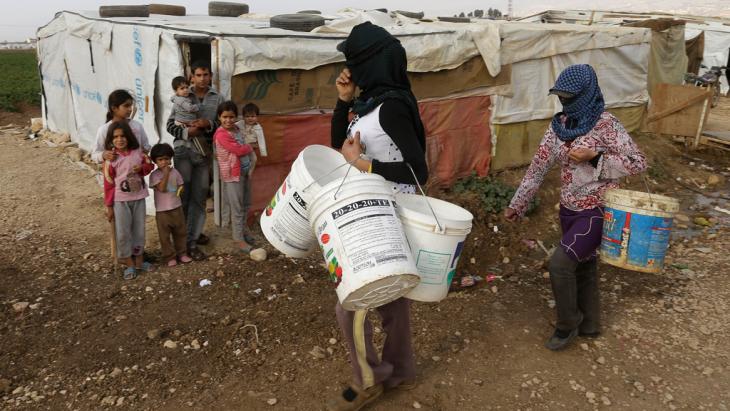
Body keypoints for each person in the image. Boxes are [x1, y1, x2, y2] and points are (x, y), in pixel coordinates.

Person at [503, 64, 648, 351]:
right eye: (562, 97)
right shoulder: (560, 126)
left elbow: (637, 162)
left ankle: (567, 325)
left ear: (587, 93)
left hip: (598, 209)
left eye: (571, 97)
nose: (565, 103)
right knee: (583, 265)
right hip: (568, 210)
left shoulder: (606, 124)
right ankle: (590, 325)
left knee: (560, 264)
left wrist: (595, 157)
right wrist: (517, 205)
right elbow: (537, 170)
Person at [327, 22, 428, 411]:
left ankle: (368, 379)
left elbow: (419, 172)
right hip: (370, 209)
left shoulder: (393, 107)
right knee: (392, 299)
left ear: (370, 62)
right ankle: (401, 370)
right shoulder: (370, 102)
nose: (348, 66)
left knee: (349, 301)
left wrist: (364, 165)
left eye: (352, 61)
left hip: (387, 214)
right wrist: (342, 102)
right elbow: (342, 148)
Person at [166, 61, 225, 260]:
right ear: (192, 77)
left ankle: (191, 243)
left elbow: (224, 123)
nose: (202, 78)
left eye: (205, 74)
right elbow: (169, 125)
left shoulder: (218, 98)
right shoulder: (182, 94)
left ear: (210, 75)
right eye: (198, 75)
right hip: (183, 151)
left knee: (199, 198)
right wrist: (186, 131)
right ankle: (179, 242)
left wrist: (209, 123)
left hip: (202, 154)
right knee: (183, 196)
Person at [103, 121, 155, 280]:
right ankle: (128, 264)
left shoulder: (138, 153)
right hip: (120, 201)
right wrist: (109, 206)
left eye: (123, 136)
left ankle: (139, 261)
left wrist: (142, 169)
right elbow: (108, 184)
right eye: (116, 137)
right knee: (123, 232)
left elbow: (149, 166)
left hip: (138, 198)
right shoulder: (111, 159)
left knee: (139, 230)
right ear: (111, 140)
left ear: (129, 137)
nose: (120, 139)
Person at [213, 101, 255, 253]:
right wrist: (249, 147)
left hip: (242, 171)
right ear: (219, 117)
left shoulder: (236, 129)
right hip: (232, 174)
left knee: (245, 203)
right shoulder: (221, 134)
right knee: (237, 206)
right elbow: (237, 150)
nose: (228, 120)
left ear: (236, 117)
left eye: (231, 117)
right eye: (225, 117)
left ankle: (243, 232)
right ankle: (238, 239)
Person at [149, 143, 193, 267]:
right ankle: (169, 257)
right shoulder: (155, 175)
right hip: (162, 211)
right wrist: (166, 173)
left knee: (180, 232)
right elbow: (162, 188)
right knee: (165, 235)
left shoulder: (176, 172)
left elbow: (180, 184)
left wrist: (180, 188)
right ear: (155, 161)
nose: (164, 162)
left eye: (167, 159)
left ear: (170, 159)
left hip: (176, 207)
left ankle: (182, 253)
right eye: (160, 159)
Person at [92, 89, 151, 164]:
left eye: (131, 106)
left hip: (135, 174)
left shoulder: (137, 126)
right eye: (126, 106)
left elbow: (146, 146)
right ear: (114, 108)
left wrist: (140, 155)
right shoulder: (104, 129)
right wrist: (103, 155)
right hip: (114, 174)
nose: (130, 109)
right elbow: (95, 155)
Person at [169, 76, 200, 140]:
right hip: (183, 123)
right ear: (175, 91)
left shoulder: (187, 97)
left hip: (186, 122)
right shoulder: (180, 100)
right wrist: (199, 106)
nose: (185, 90)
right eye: (182, 88)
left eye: (187, 87)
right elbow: (190, 108)